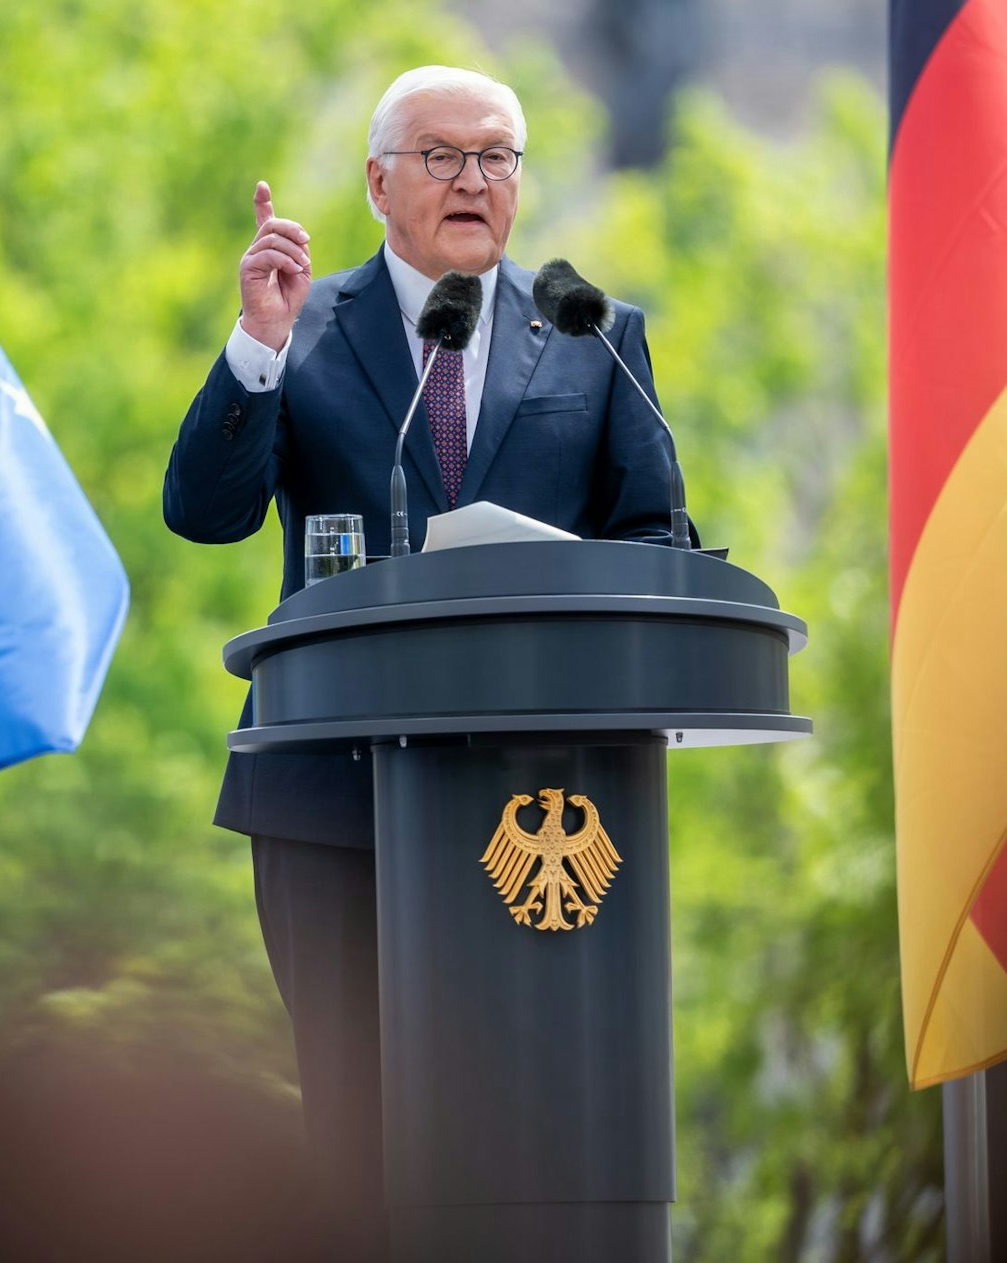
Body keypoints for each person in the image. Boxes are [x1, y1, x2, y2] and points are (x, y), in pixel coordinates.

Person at [162, 64, 685, 1260]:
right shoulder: (305, 325)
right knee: (360, 1144)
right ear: (376, 182)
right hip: (334, 796)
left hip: (545, 805)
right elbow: (203, 514)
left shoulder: (593, 335)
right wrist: (254, 345)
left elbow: (651, 542)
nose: (472, 181)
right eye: (441, 156)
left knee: (535, 1133)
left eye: (495, 156)